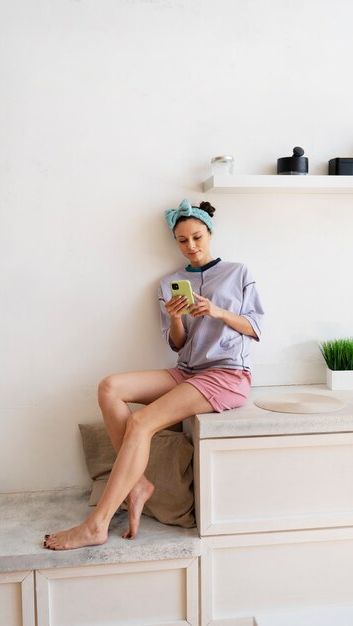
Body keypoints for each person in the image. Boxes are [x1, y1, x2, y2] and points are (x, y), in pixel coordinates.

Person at [44, 198, 264, 550]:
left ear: (209, 234)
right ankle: (137, 484)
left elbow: (255, 327)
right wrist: (176, 316)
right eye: (182, 240)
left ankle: (96, 525)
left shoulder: (239, 273)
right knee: (109, 387)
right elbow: (178, 344)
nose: (190, 246)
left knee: (142, 422)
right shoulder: (169, 283)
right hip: (187, 370)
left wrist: (217, 311)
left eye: (196, 237)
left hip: (226, 375)